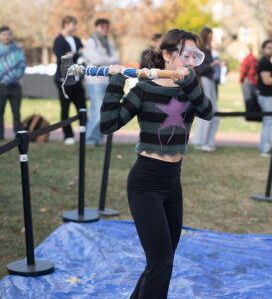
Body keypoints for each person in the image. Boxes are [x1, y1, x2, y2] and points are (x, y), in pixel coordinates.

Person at [100, 29, 213, 299]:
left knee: (163, 260)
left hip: (172, 184)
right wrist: (116, 81)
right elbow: (107, 125)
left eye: (194, 57)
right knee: (160, 261)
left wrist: (191, 81)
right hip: (145, 183)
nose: (190, 62)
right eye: (186, 56)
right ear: (166, 55)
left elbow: (207, 112)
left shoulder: (190, 88)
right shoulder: (144, 89)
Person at [82, 18, 120, 146]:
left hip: (106, 80)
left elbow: (117, 58)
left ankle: (98, 139)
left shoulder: (107, 43)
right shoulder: (91, 42)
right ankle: (89, 139)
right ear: (97, 27)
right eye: (102, 26)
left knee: (104, 111)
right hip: (95, 81)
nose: (105, 29)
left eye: (106, 26)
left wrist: (107, 60)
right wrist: (110, 60)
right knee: (96, 111)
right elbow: (97, 60)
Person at [53, 15, 87, 145]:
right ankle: (68, 135)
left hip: (77, 79)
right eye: (74, 24)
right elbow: (63, 58)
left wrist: (75, 54)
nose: (76, 27)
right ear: (66, 24)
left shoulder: (76, 39)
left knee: (82, 107)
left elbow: (81, 54)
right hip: (63, 80)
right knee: (65, 108)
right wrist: (76, 54)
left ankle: (85, 133)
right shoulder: (58, 40)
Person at [192, 27, 220, 152]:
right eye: (209, 37)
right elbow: (200, 69)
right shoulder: (200, 51)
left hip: (210, 82)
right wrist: (213, 64)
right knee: (206, 111)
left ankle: (207, 141)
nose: (211, 39)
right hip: (205, 82)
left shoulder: (208, 51)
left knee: (214, 113)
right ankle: (201, 141)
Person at [0, 26, 26, 141]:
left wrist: (12, 77)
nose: (6, 37)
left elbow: (22, 65)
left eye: (8, 34)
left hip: (15, 86)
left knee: (16, 113)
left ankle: (18, 136)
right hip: (1, 86)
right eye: (4, 34)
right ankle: (0, 136)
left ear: (11, 36)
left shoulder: (18, 50)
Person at [239, 45, 261, 122]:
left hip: (247, 80)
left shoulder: (247, 59)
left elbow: (243, 71)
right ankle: (254, 116)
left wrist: (241, 80)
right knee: (254, 99)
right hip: (254, 80)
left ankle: (248, 117)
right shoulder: (255, 58)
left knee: (248, 99)